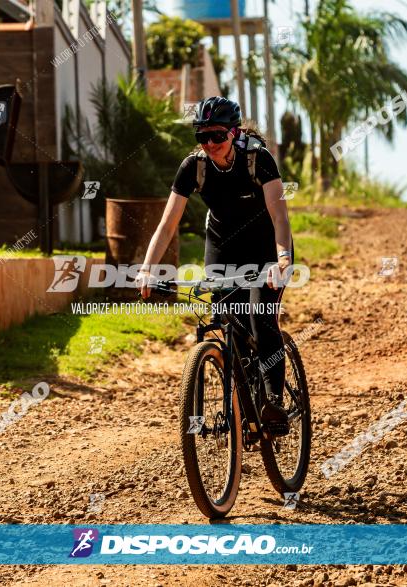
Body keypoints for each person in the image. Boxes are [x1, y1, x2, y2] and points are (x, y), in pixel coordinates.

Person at [136, 96, 295, 434]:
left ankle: (274, 401)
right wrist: (148, 267)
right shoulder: (194, 166)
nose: (209, 144)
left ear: (234, 133)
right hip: (223, 246)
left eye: (218, 136)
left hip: (266, 246)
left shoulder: (257, 158)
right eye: (202, 136)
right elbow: (167, 225)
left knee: (259, 315)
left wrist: (282, 261)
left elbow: (280, 217)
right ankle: (238, 390)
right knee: (224, 319)